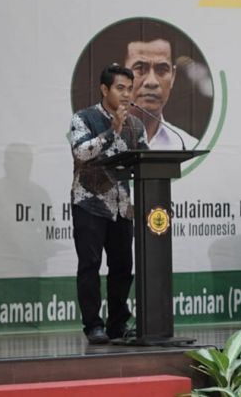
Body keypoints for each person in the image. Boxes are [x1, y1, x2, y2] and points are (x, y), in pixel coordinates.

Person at [70, 64, 149, 344]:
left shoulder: (136, 125)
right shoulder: (84, 118)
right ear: (105, 90)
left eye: (129, 89)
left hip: (122, 207)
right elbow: (81, 152)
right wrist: (110, 132)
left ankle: (117, 325)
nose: (126, 94)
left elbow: (146, 163)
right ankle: (93, 325)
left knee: (122, 268)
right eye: (120, 88)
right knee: (90, 265)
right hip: (90, 204)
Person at [124, 37, 198, 150]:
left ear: (173, 76)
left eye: (162, 70)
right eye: (140, 69)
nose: (152, 82)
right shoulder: (97, 144)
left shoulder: (187, 146)